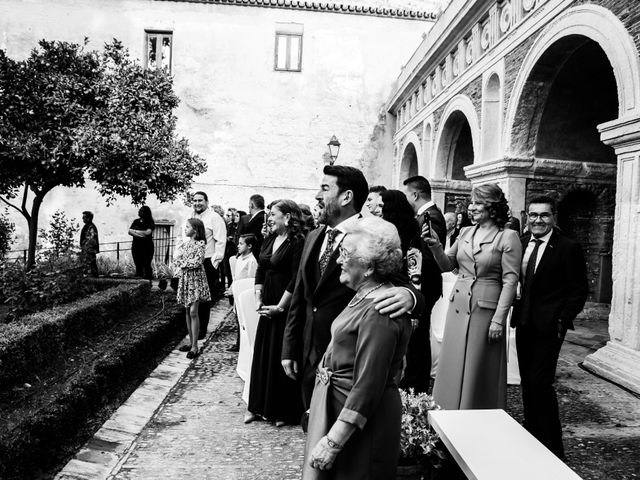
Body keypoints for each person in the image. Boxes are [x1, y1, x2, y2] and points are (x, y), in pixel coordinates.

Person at [282, 165, 424, 409]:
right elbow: (301, 295)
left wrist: (410, 296)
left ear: (346, 197)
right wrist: (290, 347)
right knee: (313, 426)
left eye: (325, 188)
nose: (317, 195)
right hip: (310, 357)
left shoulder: (374, 234)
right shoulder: (315, 236)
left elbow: (408, 285)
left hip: (349, 362)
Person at [303, 216, 411, 479]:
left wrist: (333, 441)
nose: (338, 260)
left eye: (345, 253)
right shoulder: (362, 295)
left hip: (363, 422)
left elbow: (369, 384)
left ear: (369, 266)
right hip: (339, 408)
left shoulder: (380, 310)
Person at [426, 183, 521, 409]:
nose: (472, 207)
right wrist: (436, 246)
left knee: (478, 365)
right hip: (458, 305)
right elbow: (447, 265)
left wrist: (499, 319)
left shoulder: (507, 237)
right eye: (472, 202)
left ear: (492, 207)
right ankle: (446, 413)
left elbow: (510, 281)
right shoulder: (466, 232)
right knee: (452, 360)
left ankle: (474, 413)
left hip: (485, 311)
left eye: (478, 203)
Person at [511, 196, 588, 459]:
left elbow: (579, 290)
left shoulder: (568, 247)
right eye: (533, 215)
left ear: (554, 217)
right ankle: (530, 434)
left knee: (540, 383)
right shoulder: (520, 243)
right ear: (526, 216)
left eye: (544, 215)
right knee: (526, 382)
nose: (537, 220)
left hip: (550, 326)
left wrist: (562, 320)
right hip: (523, 322)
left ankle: (553, 448)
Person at [245, 200, 305, 427]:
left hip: (284, 305)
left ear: (288, 218)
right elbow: (261, 267)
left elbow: (296, 277)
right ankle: (257, 406)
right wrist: (258, 296)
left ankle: (281, 411)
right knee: (263, 354)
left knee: (281, 355)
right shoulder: (270, 238)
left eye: (273, 215)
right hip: (267, 301)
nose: (269, 218)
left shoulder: (297, 242)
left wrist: (280, 306)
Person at [401, 175, 446, 393]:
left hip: (425, 285)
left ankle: (417, 383)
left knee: (419, 337)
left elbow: (427, 258)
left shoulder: (431, 217)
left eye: (408, 195)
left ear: (415, 194)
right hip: (422, 285)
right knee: (416, 338)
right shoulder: (424, 215)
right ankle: (414, 379)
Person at [189, 191, 227, 340]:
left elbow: (221, 241)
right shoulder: (191, 217)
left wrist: (214, 263)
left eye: (200, 200)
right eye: (195, 200)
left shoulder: (214, 218)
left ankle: (201, 330)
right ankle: (193, 328)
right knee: (192, 297)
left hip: (207, 262)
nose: (197, 203)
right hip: (191, 262)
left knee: (204, 299)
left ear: (206, 201)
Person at [174, 218, 211, 359]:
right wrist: (183, 263)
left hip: (195, 281)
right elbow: (176, 260)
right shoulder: (185, 244)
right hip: (186, 280)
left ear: (195, 230)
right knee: (187, 311)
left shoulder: (200, 244)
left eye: (187, 227)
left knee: (194, 312)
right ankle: (191, 342)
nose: (185, 229)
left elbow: (197, 261)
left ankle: (195, 346)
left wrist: (183, 263)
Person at [128, 206, 155, 280]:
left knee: (147, 265)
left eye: (141, 211)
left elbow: (147, 233)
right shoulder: (135, 221)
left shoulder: (150, 222)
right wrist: (141, 234)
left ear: (146, 213)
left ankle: (148, 283)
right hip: (136, 247)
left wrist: (135, 232)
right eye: (139, 210)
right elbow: (129, 231)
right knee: (138, 265)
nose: (139, 212)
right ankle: (139, 284)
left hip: (147, 248)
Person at [237, 194, 266, 260]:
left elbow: (255, 239)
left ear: (252, 205)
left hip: (253, 256)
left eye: (249, 204)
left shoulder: (259, 219)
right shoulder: (262, 216)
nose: (248, 206)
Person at [80, 211, 100, 276]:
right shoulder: (87, 226)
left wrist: (87, 248)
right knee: (88, 265)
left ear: (89, 218)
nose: (82, 219)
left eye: (84, 217)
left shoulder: (91, 227)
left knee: (91, 264)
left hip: (89, 250)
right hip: (86, 249)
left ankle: (95, 280)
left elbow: (91, 239)